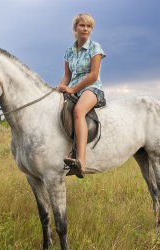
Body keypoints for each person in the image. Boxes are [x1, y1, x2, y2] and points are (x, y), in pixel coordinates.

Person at [57, 13, 106, 178]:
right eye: (82, 25)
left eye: (88, 26)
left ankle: (80, 161)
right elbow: (67, 77)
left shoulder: (95, 47)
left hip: (92, 88)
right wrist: (62, 86)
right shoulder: (69, 51)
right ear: (75, 28)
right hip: (74, 89)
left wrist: (72, 89)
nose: (85, 29)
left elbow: (93, 75)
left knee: (78, 111)